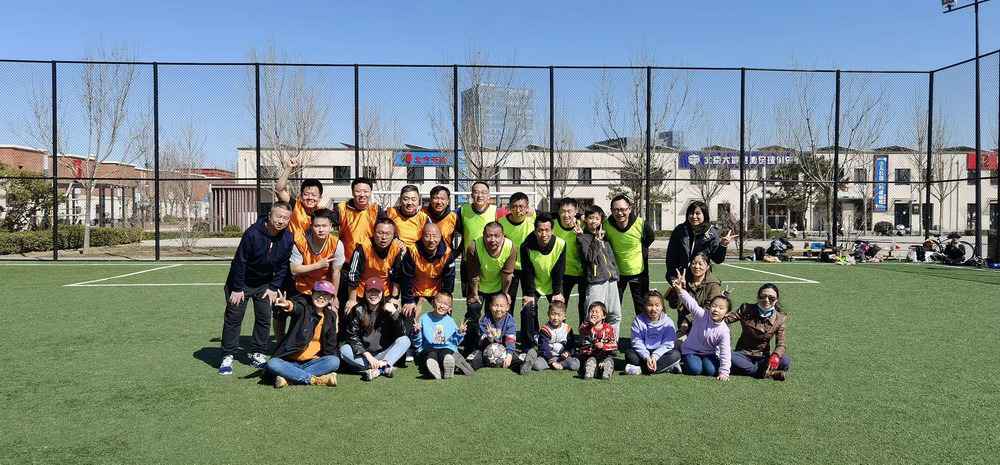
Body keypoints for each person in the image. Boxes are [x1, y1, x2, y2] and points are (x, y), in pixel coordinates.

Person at [219, 202, 294, 375]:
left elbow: (283, 265)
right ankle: (228, 355)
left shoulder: (288, 238)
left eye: (285, 218)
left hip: (264, 284)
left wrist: (274, 287)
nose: (281, 221)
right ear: (269, 216)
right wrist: (237, 288)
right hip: (241, 283)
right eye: (278, 216)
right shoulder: (252, 233)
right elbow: (240, 261)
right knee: (234, 318)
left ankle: (257, 353)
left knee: (264, 318)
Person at [280, 208, 345, 340]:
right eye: (317, 226)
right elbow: (294, 269)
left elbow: (336, 272)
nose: (321, 230)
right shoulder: (300, 242)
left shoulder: (337, 244)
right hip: (303, 288)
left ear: (331, 226)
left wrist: (334, 296)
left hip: (324, 289)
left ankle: (327, 346)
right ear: (311, 226)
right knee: (298, 322)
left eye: (324, 226)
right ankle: (285, 342)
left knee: (329, 320)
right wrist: (318, 265)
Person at [265, 281, 340, 388]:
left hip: (313, 362)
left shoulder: (331, 316)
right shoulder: (305, 307)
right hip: (290, 361)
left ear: (331, 299)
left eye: (326, 295)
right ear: (312, 294)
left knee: (334, 361)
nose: (321, 297)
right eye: (318, 293)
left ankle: (289, 377)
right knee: (273, 363)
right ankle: (314, 380)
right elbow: (295, 307)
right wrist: (287, 304)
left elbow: (330, 346)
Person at [399, 223, 457, 353]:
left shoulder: (447, 253)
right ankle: (410, 345)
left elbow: (449, 279)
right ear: (421, 236)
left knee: (445, 312)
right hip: (415, 290)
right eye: (427, 236)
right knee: (408, 313)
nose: (431, 240)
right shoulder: (412, 250)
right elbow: (406, 277)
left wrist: (445, 300)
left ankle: (445, 342)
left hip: (436, 291)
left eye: (435, 236)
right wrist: (409, 300)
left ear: (440, 237)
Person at [339, 277, 410, 381]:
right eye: (370, 291)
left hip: (384, 353)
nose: (373, 295)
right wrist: (368, 356)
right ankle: (384, 367)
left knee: (405, 340)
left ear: (382, 293)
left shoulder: (389, 308)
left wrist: (394, 313)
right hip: (364, 355)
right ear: (365, 293)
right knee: (344, 350)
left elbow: (402, 333)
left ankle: (379, 368)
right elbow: (352, 337)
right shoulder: (357, 310)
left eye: (377, 292)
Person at [328, 177, 383, 308]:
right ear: (352, 192)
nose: (362, 195)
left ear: (370, 192)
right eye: (358, 191)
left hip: (368, 266)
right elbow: (325, 225)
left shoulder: (376, 210)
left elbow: (387, 231)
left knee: (366, 306)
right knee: (343, 306)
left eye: (365, 191)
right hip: (346, 266)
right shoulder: (341, 209)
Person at [463, 221, 515, 354]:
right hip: (478, 286)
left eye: (496, 236)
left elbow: (507, 275)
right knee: (473, 311)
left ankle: (499, 348)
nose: (492, 239)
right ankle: (470, 348)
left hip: (497, 287)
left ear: (503, 235)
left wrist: (504, 294)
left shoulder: (510, 247)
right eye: (488, 236)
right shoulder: (474, 246)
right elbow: (473, 275)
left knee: (495, 317)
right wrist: (474, 294)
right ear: (483, 235)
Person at [671, 270, 731, 381]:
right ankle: (680, 358)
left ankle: (698, 361)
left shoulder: (724, 330)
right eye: (714, 306)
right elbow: (690, 302)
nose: (716, 310)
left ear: (726, 313)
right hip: (691, 350)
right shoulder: (702, 315)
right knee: (695, 369)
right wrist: (680, 290)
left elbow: (725, 352)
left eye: (721, 308)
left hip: (709, 353)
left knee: (711, 371)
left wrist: (724, 372)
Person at [519, 212, 566, 349]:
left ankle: (560, 340)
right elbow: (527, 271)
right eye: (540, 230)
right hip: (534, 283)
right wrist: (529, 294)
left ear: (552, 230)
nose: (543, 234)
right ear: (535, 231)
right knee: (527, 309)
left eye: (547, 230)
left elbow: (559, 269)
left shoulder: (560, 244)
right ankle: (529, 343)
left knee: (559, 308)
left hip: (553, 283)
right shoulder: (526, 246)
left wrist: (557, 292)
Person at [725, 283, 790, 381]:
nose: (766, 300)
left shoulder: (780, 318)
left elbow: (781, 343)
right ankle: (766, 373)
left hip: (763, 356)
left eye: (771, 298)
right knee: (728, 356)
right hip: (742, 354)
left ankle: (746, 369)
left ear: (776, 300)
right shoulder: (746, 308)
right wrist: (722, 301)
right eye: (763, 296)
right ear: (758, 297)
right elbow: (726, 320)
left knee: (785, 361)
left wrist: (776, 355)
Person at [604, 194, 655, 317]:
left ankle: (643, 329)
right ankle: (611, 330)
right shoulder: (606, 225)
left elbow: (650, 238)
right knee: (612, 309)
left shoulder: (641, 224)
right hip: (616, 274)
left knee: (642, 309)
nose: (619, 213)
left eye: (623, 209)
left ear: (629, 209)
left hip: (638, 273)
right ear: (611, 211)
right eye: (616, 210)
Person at [578, 205, 623, 337]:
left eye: (597, 218)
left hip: (611, 280)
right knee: (593, 315)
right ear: (585, 219)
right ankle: (588, 343)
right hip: (596, 281)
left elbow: (610, 258)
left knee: (614, 315)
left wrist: (615, 273)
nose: (594, 221)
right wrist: (596, 240)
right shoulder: (583, 237)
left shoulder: (605, 236)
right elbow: (589, 257)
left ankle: (612, 342)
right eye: (591, 218)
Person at [344, 217, 405, 311]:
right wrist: (352, 300)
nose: (384, 237)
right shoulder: (363, 247)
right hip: (362, 292)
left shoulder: (397, 248)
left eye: (388, 234)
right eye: (380, 233)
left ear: (394, 235)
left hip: (385, 293)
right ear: (373, 232)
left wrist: (394, 298)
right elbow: (353, 275)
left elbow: (398, 275)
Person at [665, 201, 736, 281]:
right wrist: (672, 277)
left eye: (697, 213)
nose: (694, 216)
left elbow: (718, 259)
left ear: (704, 215)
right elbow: (671, 256)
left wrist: (723, 245)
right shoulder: (680, 230)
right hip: (681, 277)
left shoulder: (711, 232)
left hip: (701, 277)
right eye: (691, 213)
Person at [666, 252, 723, 342]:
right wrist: (677, 289)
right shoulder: (684, 280)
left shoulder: (713, 285)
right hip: (684, 329)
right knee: (674, 346)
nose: (696, 266)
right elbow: (673, 305)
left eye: (700, 264)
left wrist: (688, 320)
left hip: (705, 328)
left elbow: (708, 309)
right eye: (693, 263)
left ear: (707, 266)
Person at [625, 290, 681, 375]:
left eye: (657, 305)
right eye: (650, 305)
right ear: (645, 306)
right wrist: (647, 357)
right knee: (630, 355)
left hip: (661, 353)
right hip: (644, 353)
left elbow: (668, 344)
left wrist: (655, 356)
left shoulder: (668, 322)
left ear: (662, 307)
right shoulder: (638, 320)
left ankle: (640, 369)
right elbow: (636, 341)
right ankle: (667, 367)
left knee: (675, 355)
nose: (653, 309)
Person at [455, 181, 497, 298]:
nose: (480, 195)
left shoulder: (496, 211)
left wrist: (532, 211)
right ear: (471, 195)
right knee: (472, 302)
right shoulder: (462, 210)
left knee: (493, 301)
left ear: (489, 195)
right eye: (476, 192)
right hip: (469, 261)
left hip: (491, 262)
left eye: (483, 192)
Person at [552, 198, 588, 326]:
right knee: (560, 305)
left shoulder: (583, 224)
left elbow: (600, 219)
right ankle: (561, 333)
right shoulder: (553, 224)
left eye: (569, 211)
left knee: (584, 305)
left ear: (576, 211)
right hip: (563, 273)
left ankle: (584, 333)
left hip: (583, 272)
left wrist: (582, 235)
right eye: (563, 211)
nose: (566, 214)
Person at [498, 192, 537, 307]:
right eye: (514, 206)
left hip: (528, 268)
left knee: (529, 304)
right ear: (509, 207)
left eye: (521, 206)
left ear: (527, 208)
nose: (518, 210)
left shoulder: (533, 220)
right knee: (507, 302)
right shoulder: (501, 223)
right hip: (509, 269)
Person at [419, 293, 467, 380]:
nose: (442, 306)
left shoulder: (450, 321)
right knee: (431, 355)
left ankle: (447, 368)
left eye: (446, 304)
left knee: (446, 354)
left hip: (446, 348)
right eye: (439, 302)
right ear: (433, 302)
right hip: (429, 348)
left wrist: (460, 333)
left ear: (450, 308)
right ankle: (435, 370)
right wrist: (416, 332)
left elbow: (454, 342)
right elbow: (418, 341)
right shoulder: (424, 318)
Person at [274, 160, 323, 241]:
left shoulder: (323, 213)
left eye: (314, 195)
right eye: (306, 194)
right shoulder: (294, 205)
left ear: (320, 198)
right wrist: (288, 168)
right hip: (293, 246)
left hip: (315, 248)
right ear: (301, 196)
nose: (310, 198)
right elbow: (279, 190)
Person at [469, 294, 518, 371]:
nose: (498, 309)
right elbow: (481, 341)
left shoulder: (510, 321)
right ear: (490, 306)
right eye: (495, 305)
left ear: (507, 307)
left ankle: (523, 363)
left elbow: (510, 340)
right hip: (485, 351)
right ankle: (466, 365)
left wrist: (509, 355)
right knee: (474, 358)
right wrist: (489, 337)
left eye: (501, 306)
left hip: (504, 351)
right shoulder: (485, 319)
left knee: (515, 358)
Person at [528, 300, 580, 373]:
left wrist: (567, 352)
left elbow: (571, 345)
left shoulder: (567, 329)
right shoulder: (545, 329)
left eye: (559, 315)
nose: (555, 318)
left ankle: (560, 364)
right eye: (553, 314)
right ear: (548, 314)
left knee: (575, 365)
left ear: (564, 316)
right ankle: (528, 357)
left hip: (562, 357)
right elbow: (544, 347)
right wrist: (551, 360)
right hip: (547, 357)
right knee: (537, 365)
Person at [579, 302, 617, 380]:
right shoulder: (586, 327)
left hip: (604, 356)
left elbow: (614, 345)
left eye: (597, 312)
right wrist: (590, 325)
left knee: (609, 361)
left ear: (604, 316)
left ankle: (606, 372)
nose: (594, 313)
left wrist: (604, 345)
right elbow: (581, 331)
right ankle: (590, 371)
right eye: (592, 311)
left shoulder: (608, 328)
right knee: (590, 360)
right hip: (590, 355)